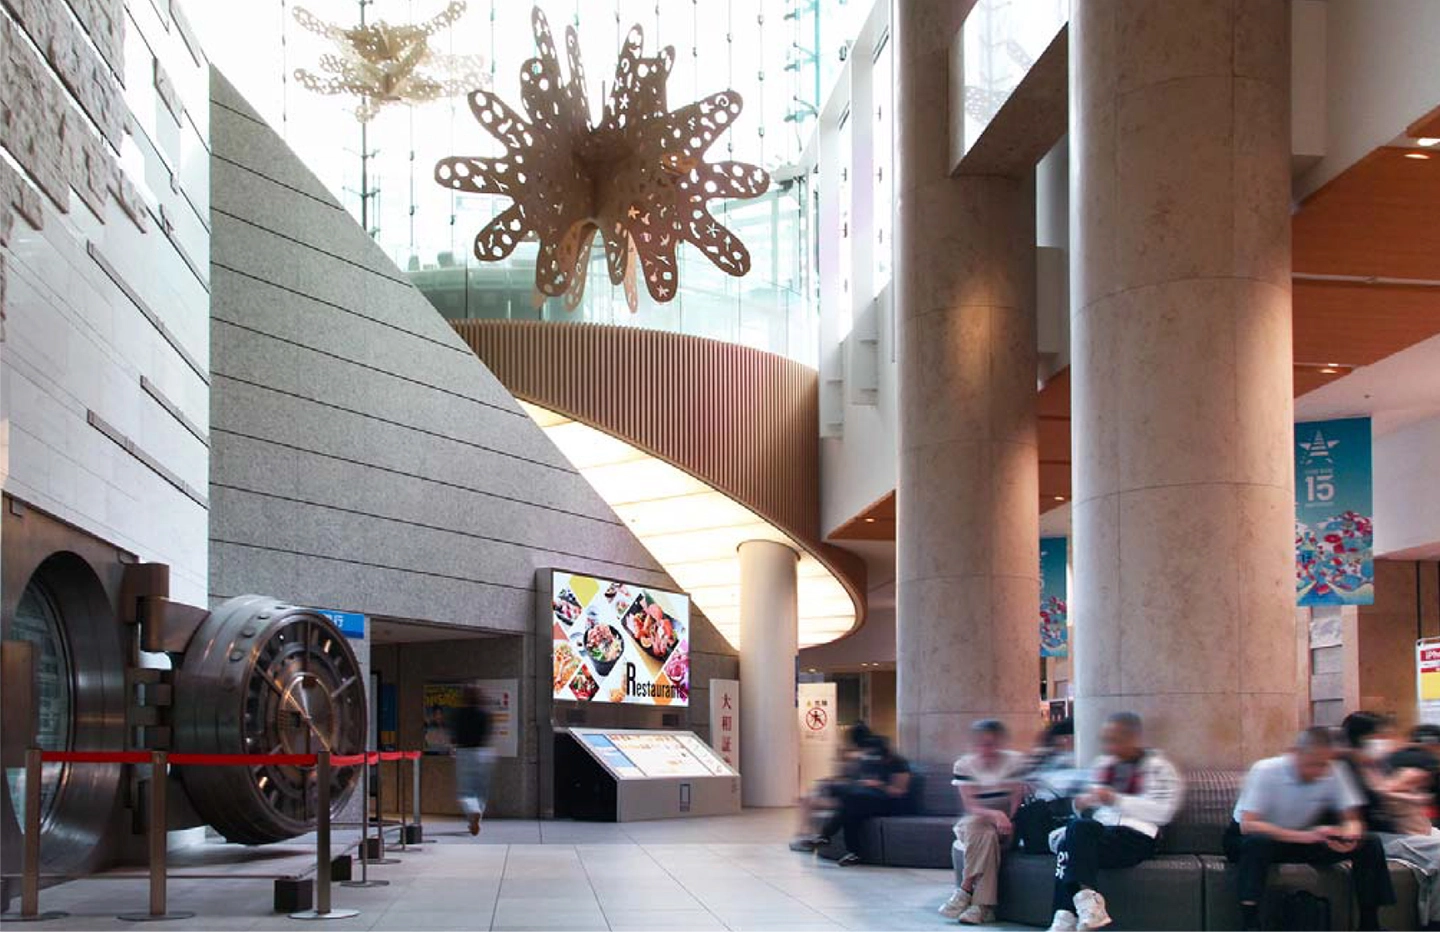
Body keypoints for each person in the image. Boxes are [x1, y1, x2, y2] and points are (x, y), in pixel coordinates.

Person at [1225, 726, 1395, 932]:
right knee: (1257, 843)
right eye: (1312, 764)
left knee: (1370, 843)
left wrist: (1349, 835)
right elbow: (1249, 825)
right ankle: (1250, 923)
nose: (1318, 772)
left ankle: (1370, 923)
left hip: (1302, 837)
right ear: (1295, 753)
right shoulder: (1265, 770)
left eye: (1323, 765)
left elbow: (1352, 819)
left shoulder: (1334, 771)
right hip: (1251, 837)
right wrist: (1304, 836)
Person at [1047, 712, 1184, 932]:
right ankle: (1083, 908)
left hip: (1138, 836)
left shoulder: (1160, 768)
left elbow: (1163, 813)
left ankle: (1066, 915)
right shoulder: (1103, 765)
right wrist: (1081, 805)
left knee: (1070, 844)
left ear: (1133, 738)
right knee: (1072, 835)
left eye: (1115, 740)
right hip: (1103, 832)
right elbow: (1090, 809)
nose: (1109, 747)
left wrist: (1115, 799)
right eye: (1106, 740)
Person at [1343, 711, 1440, 928]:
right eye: (1378, 736)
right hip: (1376, 837)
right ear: (1362, 738)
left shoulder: (1376, 764)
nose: (1384, 741)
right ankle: (1435, 921)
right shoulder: (1345, 768)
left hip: (1398, 830)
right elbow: (1368, 803)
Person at [940, 719, 1030, 925]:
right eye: (982, 744)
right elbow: (971, 806)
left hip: (1008, 822)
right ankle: (983, 906)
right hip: (977, 819)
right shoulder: (964, 765)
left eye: (992, 744)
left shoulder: (1014, 762)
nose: (987, 749)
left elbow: (1016, 800)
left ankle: (965, 890)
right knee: (981, 830)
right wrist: (996, 815)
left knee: (986, 836)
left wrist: (1009, 821)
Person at [798, 734, 913, 866]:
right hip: (870, 800)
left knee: (850, 806)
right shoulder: (873, 761)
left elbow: (899, 791)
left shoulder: (899, 763)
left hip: (891, 804)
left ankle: (826, 837)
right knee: (851, 808)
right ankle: (849, 850)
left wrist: (879, 785)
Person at [789, 722, 872, 852]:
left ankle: (804, 836)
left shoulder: (860, 757)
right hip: (849, 796)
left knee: (808, 801)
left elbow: (857, 782)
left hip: (851, 800)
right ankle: (807, 835)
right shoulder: (862, 755)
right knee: (809, 799)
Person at [450, 683, 494, 836]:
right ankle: (476, 818)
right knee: (481, 790)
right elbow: (488, 732)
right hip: (483, 752)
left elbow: (454, 734)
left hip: (465, 752)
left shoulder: (459, 714)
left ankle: (473, 812)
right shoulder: (484, 713)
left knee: (466, 791)